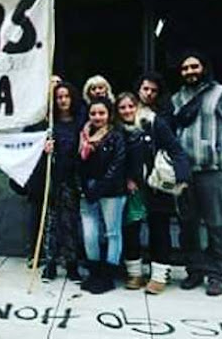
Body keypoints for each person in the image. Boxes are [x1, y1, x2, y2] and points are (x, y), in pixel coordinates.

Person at [171, 50, 222, 296]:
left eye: (194, 67)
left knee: (216, 224)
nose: (190, 72)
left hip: (213, 170)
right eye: (185, 68)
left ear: (204, 68)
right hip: (185, 173)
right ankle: (194, 270)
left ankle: (216, 273)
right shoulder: (177, 98)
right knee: (188, 225)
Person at [116, 92, 189, 294]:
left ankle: (159, 276)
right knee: (131, 230)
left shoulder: (153, 123)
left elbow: (175, 149)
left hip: (156, 186)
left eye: (131, 106)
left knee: (159, 230)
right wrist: (126, 180)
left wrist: (182, 176)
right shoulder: (117, 130)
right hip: (133, 190)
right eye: (122, 107)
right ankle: (135, 273)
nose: (127, 111)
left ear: (137, 106)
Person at [78, 97, 126, 294]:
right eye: (93, 113)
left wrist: (101, 187)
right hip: (87, 190)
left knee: (112, 233)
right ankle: (94, 272)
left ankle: (108, 275)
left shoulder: (116, 136)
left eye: (101, 113)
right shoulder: (83, 136)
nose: (97, 117)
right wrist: (85, 187)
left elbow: (118, 164)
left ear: (109, 115)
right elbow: (78, 163)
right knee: (89, 233)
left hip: (112, 191)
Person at [41, 82, 84, 282]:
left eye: (66, 96)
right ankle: (50, 264)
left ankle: (71, 264)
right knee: (51, 223)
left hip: (72, 179)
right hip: (53, 178)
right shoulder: (50, 124)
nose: (63, 100)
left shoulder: (79, 123)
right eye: (59, 97)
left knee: (70, 223)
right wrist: (46, 148)